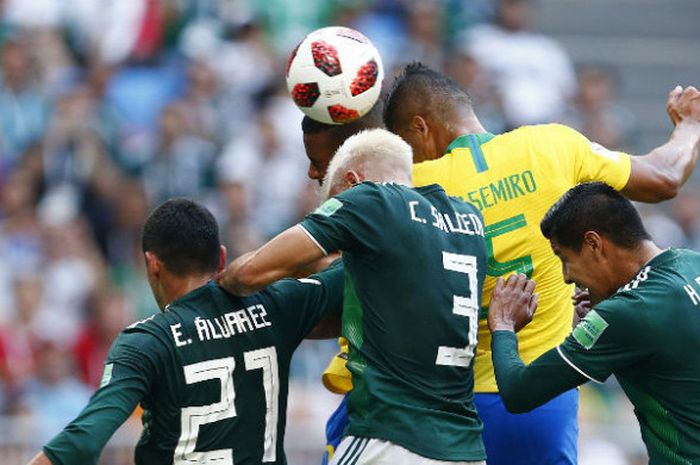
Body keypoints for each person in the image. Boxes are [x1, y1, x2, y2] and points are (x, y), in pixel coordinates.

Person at [382, 62, 700, 465]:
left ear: (419, 128)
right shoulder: (552, 146)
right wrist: (690, 125)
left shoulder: (406, 185)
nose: (569, 276)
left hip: (442, 403)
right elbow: (665, 177)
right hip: (546, 404)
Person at [219, 128, 489, 465]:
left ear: (352, 182)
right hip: (465, 448)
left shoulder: (369, 200)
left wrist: (221, 281)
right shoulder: (469, 219)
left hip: (390, 438)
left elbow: (247, 275)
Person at [25, 198, 343, 465]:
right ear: (221, 257)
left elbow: (82, 442)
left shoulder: (146, 342)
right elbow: (354, 272)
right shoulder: (275, 305)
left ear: (153, 265)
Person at [488, 181, 700, 465]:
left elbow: (519, 392)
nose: (565, 276)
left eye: (564, 258)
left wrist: (502, 325)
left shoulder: (628, 311)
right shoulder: (691, 262)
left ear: (593, 244)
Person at [300, 104, 384, 464]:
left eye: (319, 161)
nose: (311, 172)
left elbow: (252, 273)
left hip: (378, 415)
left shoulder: (381, 224)